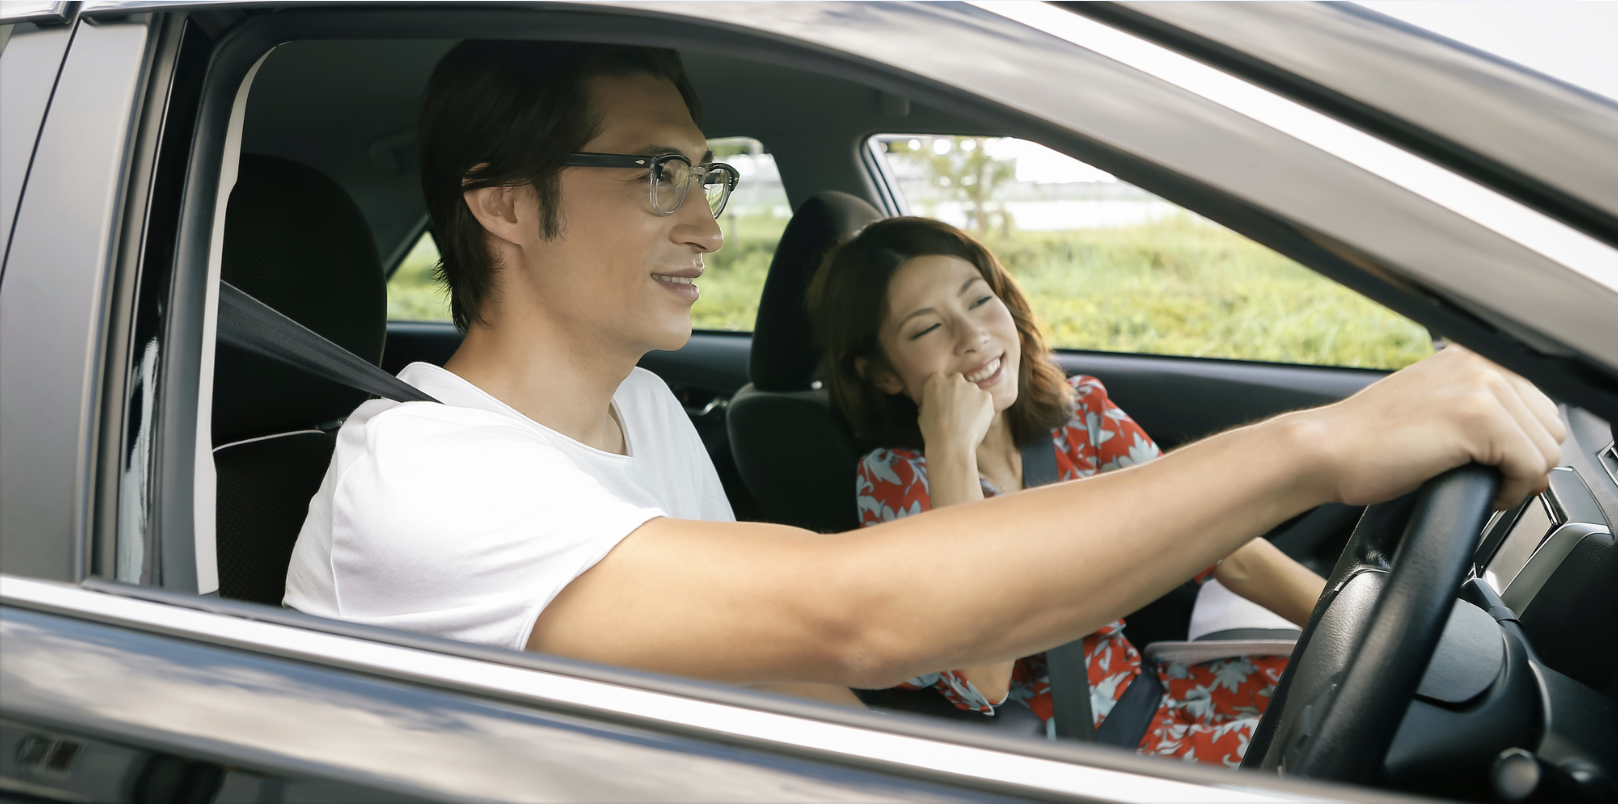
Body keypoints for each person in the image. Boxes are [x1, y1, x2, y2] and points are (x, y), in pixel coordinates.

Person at [283, 41, 1565, 713]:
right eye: (655, 174)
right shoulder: (420, 479)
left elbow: (787, 676)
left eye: (705, 174)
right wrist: (1314, 445)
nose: (706, 224)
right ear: (503, 206)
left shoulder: (646, 413)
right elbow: (854, 613)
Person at [808, 216, 1332, 760]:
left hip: (1162, 693)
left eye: (979, 301)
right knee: (1330, 750)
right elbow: (983, 678)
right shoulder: (895, 482)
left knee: (1358, 695)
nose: (974, 336)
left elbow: (1226, 547)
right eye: (926, 329)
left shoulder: (1083, 417)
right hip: (1094, 751)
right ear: (882, 375)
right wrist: (952, 454)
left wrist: (1356, 625)